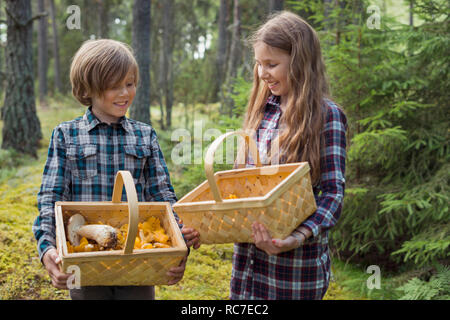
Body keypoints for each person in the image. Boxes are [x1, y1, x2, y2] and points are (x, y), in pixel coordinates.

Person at [32, 39, 199, 300]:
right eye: (113, 86)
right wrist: (47, 249)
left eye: (129, 84)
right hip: (86, 260)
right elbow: (50, 199)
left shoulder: (145, 136)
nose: (124, 94)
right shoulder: (66, 136)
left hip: (139, 260)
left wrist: (179, 246)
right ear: (89, 88)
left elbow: (162, 196)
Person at [230, 11, 348, 300]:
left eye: (272, 64)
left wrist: (297, 236)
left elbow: (332, 193)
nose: (262, 73)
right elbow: (243, 184)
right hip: (248, 267)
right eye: (259, 64)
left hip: (294, 272)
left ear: (300, 63)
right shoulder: (262, 112)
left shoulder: (326, 116)